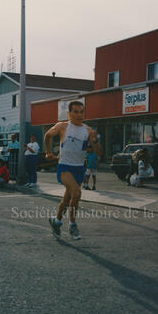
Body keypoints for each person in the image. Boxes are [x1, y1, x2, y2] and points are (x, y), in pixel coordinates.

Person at [44, 100, 102, 240]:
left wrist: (94, 141)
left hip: (79, 169)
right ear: (69, 114)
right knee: (76, 193)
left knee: (68, 198)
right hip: (64, 167)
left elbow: (99, 153)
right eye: (75, 112)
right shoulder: (63, 126)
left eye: (81, 112)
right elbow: (48, 135)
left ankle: (56, 221)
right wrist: (48, 152)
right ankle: (72, 224)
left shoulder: (88, 131)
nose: (79, 115)